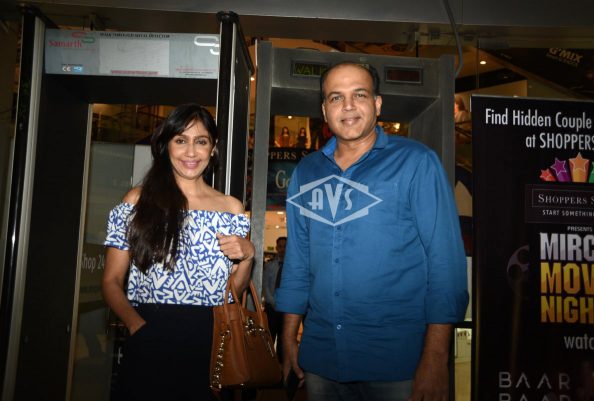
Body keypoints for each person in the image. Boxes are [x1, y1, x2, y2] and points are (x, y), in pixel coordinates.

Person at [275, 62, 469, 401]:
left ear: (377, 104)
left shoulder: (416, 163)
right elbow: (297, 262)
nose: (348, 106)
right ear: (324, 110)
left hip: (397, 363)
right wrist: (288, 337)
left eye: (359, 95)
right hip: (321, 359)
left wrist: (437, 357)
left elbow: (445, 264)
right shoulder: (307, 172)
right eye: (336, 97)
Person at [102, 103, 255, 401]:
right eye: (181, 140)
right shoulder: (137, 202)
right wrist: (136, 326)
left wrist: (248, 256)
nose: (191, 152)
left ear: (213, 148)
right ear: (166, 146)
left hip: (211, 343)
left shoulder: (232, 209)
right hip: (149, 338)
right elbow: (111, 281)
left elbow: (232, 293)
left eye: (201, 141)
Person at [262, 236, 287, 360]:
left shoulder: (292, 266)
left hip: (286, 308)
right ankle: (268, 362)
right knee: (269, 336)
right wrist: (272, 302)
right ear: (277, 248)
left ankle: (281, 364)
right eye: (280, 246)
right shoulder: (269, 265)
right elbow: (265, 285)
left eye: (285, 246)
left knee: (284, 338)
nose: (282, 249)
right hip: (271, 307)